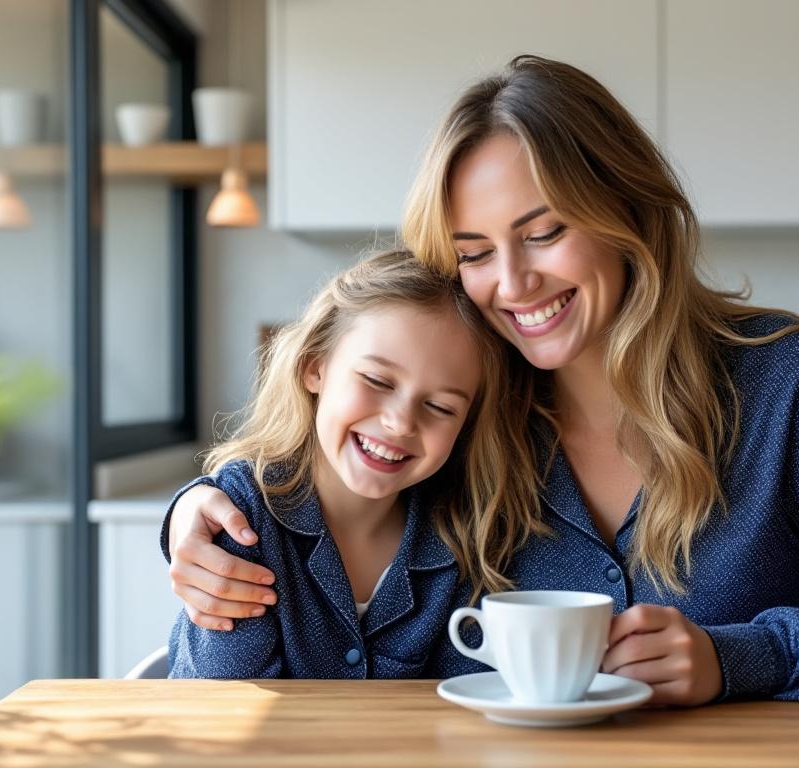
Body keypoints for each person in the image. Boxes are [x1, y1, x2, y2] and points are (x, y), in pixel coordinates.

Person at [162, 56, 799, 702]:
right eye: (475, 253)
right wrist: (203, 507)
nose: (512, 285)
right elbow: (327, 501)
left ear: (625, 211)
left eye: (544, 231)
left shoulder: (792, 381)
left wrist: (737, 657)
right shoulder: (466, 408)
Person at [169, 250, 533, 679]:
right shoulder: (241, 518)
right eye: (377, 381)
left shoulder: (468, 537)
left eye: (439, 406)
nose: (399, 423)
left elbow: (463, 706)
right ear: (314, 368)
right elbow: (230, 702)